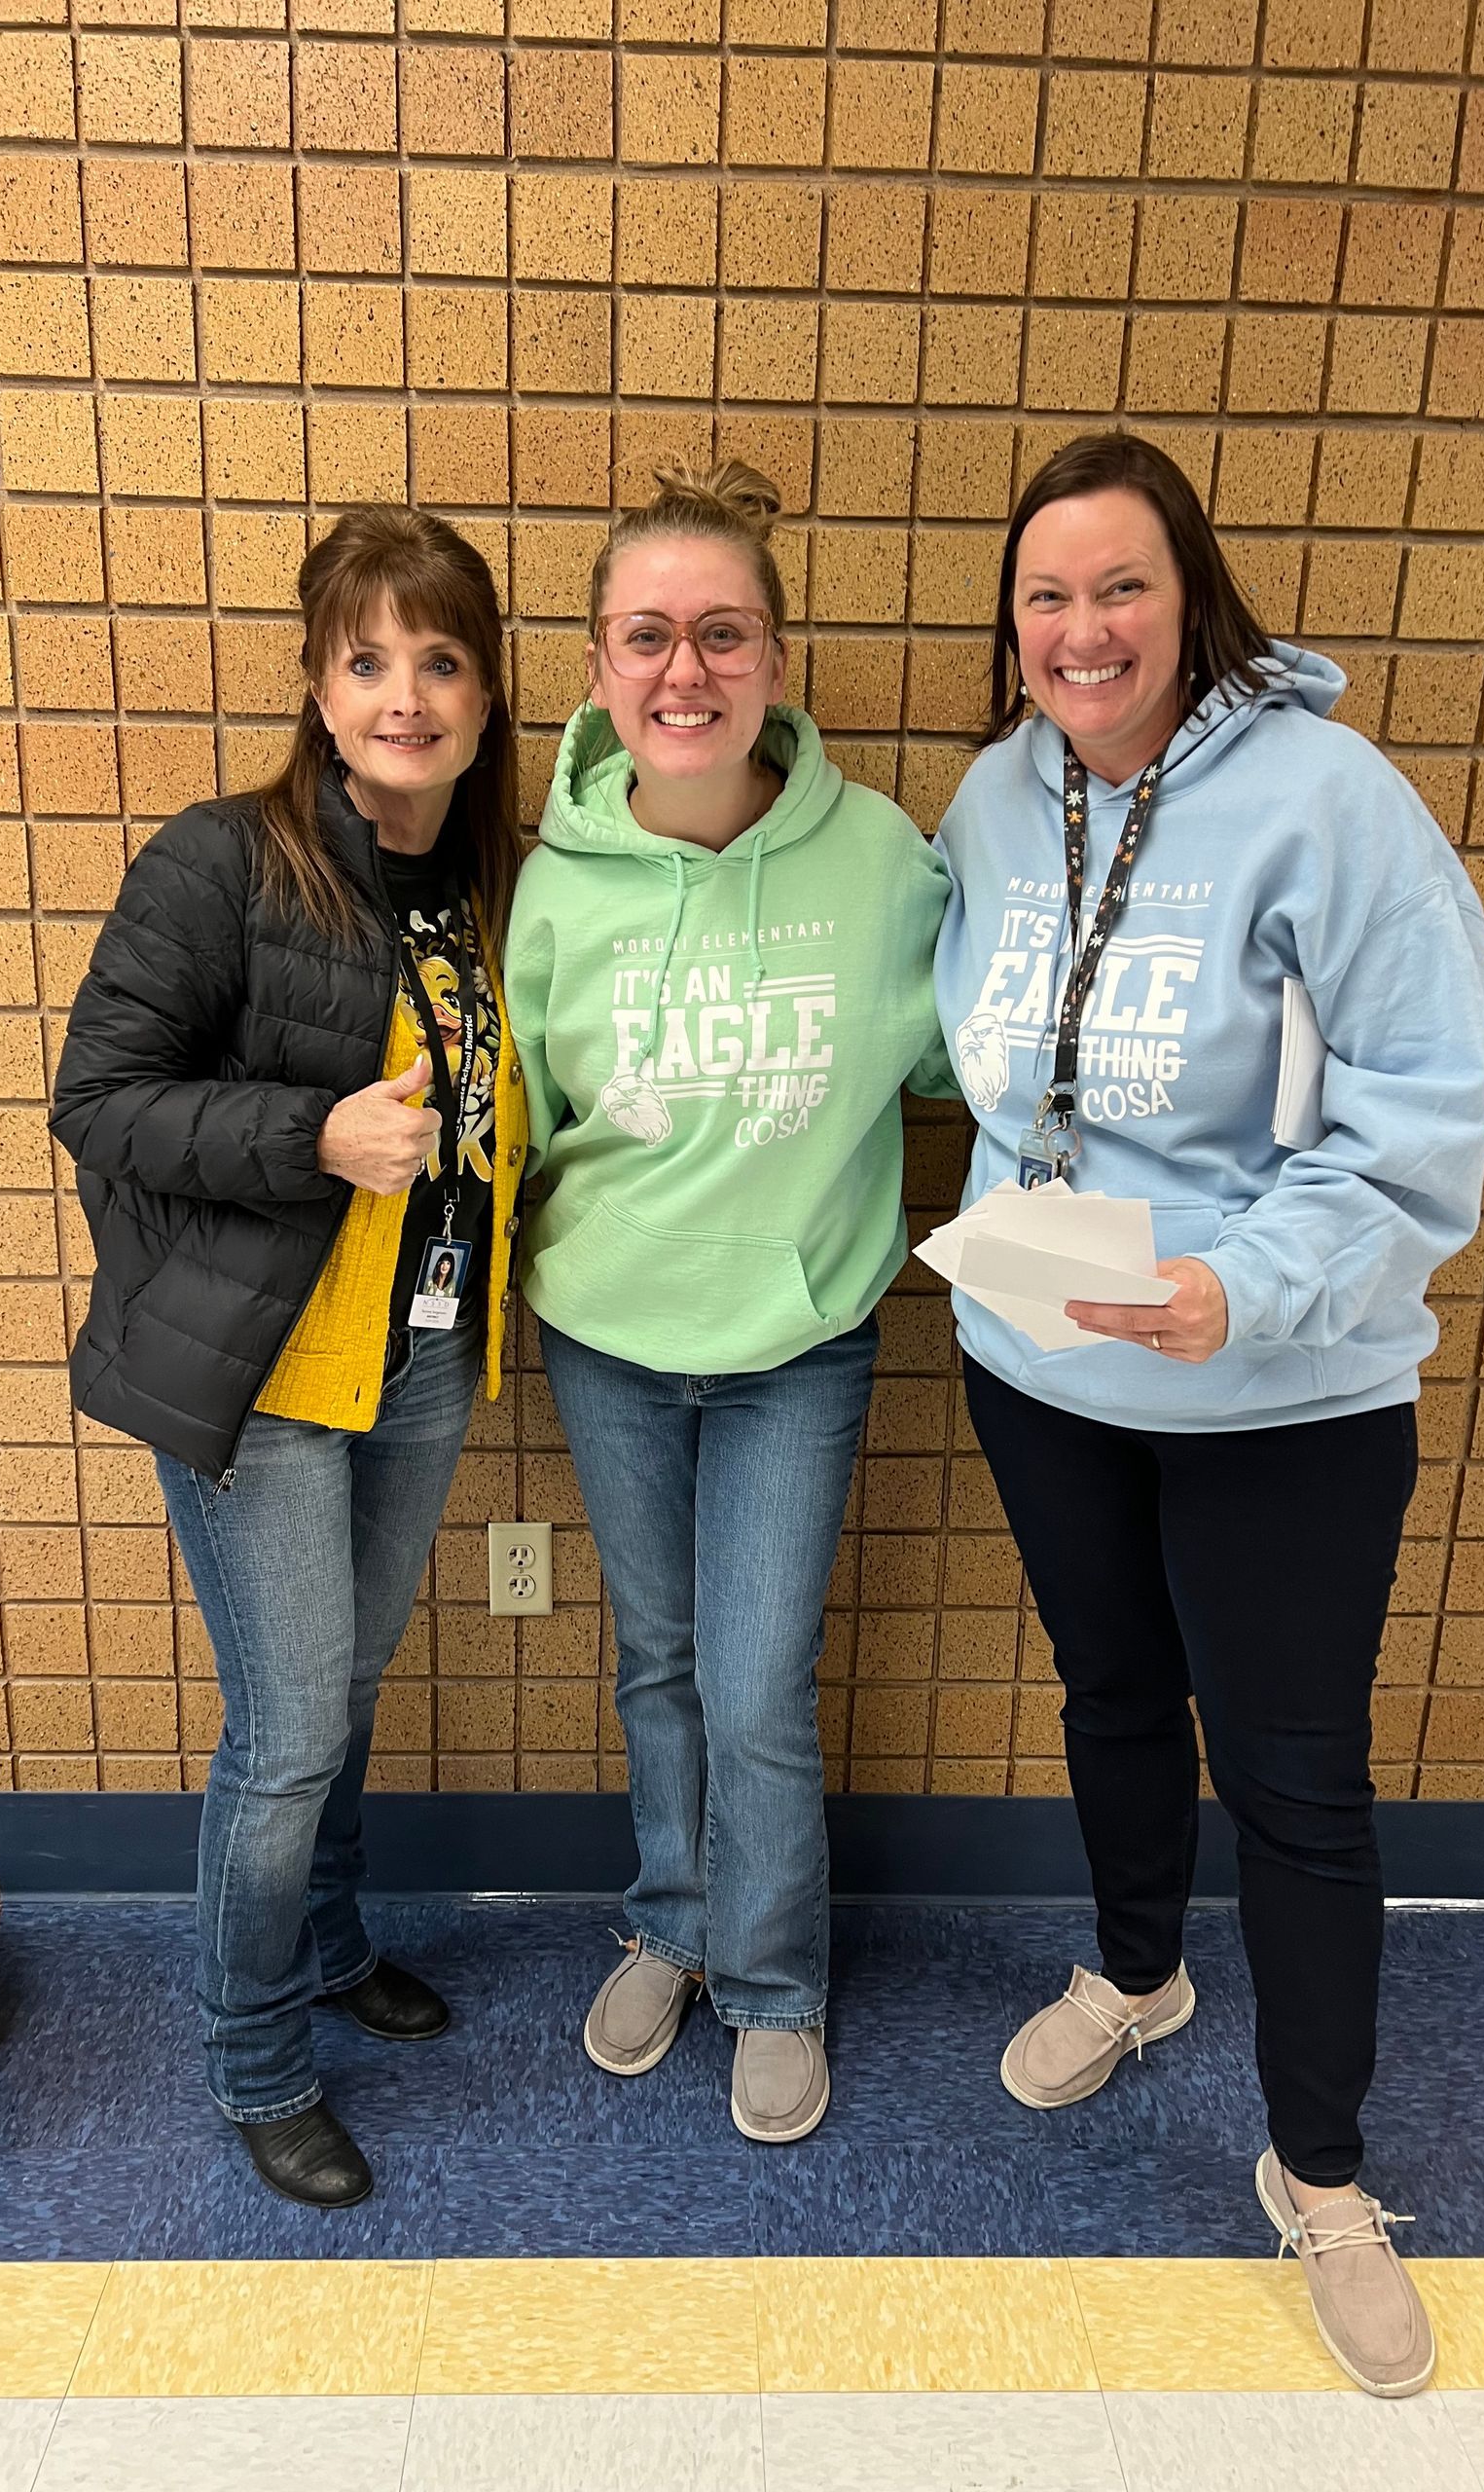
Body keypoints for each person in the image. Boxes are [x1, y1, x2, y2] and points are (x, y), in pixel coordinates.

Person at [933, 431, 1484, 2395]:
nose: (1081, 628)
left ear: (1193, 596)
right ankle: (1139, 1970)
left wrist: (1232, 1288)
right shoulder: (998, 801)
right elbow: (998, 1068)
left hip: (1280, 1389)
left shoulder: (1330, 803)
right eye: (1046, 595)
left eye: (1121, 587)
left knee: (1295, 1774)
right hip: (1042, 1358)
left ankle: (1324, 2167)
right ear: (1009, 631)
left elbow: (1423, 1118)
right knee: (1107, 1691)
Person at [51, 507, 525, 2210]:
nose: (406, 695)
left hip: (412, 1364)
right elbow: (95, 1101)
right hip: (257, 1379)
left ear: (482, 696)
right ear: (320, 691)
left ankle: (328, 1951)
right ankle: (256, 2061)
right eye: (369, 659)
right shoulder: (224, 862)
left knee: (342, 1697)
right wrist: (309, 1138)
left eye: (441, 660)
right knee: (287, 1727)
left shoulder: (482, 888)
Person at [504, 461, 950, 2144]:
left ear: (775, 656)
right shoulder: (552, 882)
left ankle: (772, 1981)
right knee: (660, 1657)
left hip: (798, 1344)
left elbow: (962, 1059)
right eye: (646, 637)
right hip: (608, 1335)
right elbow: (521, 1120)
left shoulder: (884, 864)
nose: (682, 672)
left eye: (720, 632)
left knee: (756, 1683)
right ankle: (672, 1919)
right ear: (601, 667)